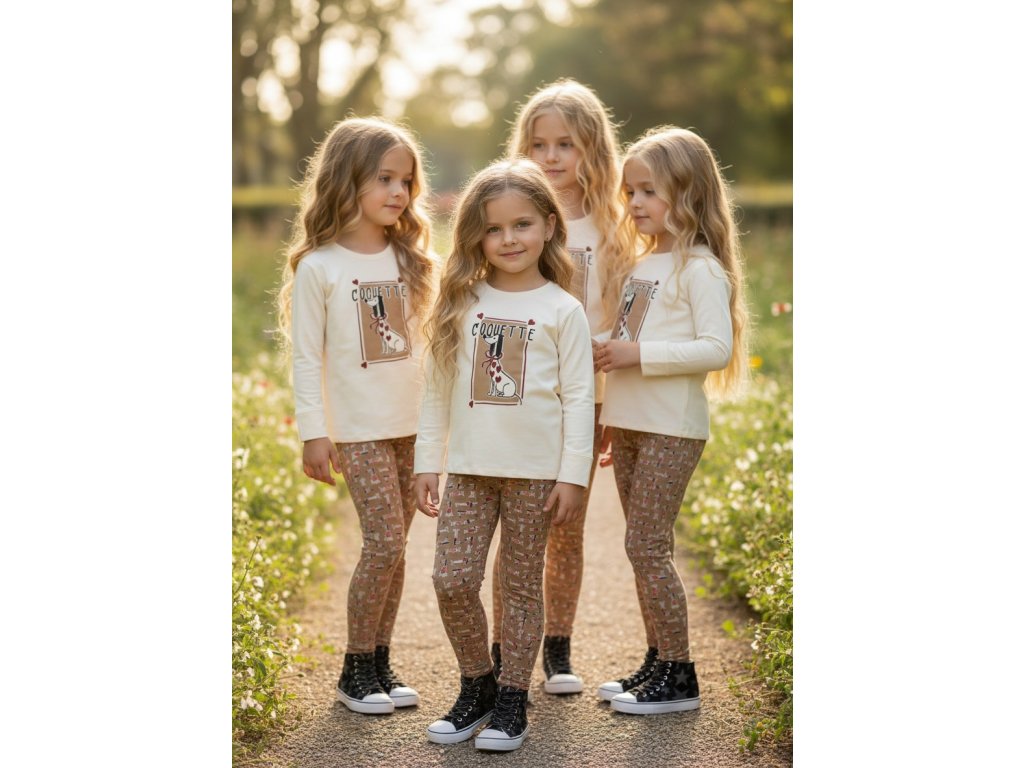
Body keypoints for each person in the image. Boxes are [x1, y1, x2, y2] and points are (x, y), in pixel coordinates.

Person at [413, 158, 595, 750]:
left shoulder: (563, 310)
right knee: (452, 579)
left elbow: (579, 398)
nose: (509, 239)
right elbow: (437, 390)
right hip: (469, 470)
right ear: (476, 234)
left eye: (522, 224)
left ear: (548, 225)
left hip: (535, 475)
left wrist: (572, 475)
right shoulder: (461, 302)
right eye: (494, 228)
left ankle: (513, 697)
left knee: (519, 588)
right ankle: (478, 683)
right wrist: (426, 462)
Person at [276, 116, 436, 715]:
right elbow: (306, 357)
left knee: (397, 549)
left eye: (406, 181)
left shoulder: (412, 259)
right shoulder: (320, 267)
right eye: (384, 178)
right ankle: (353, 669)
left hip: (411, 426)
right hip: (359, 430)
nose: (398, 192)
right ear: (347, 180)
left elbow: (429, 351)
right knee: (384, 542)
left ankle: (380, 661)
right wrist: (314, 432)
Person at [593, 126, 749, 714]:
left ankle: (680, 677)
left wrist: (636, 355)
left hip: (671, 426)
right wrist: (609, 395)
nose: (635, 203)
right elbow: (630, 338)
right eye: (630, 192)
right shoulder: (644, 265)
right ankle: (657, 660)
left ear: (688, 193)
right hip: (633, 423)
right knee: (642, 547)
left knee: (647, 545)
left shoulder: (699, 268)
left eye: (649, 191)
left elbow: (715, 348)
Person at [488, 78, 633, 695]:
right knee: (514, 530)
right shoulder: (509, 219)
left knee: (566, 526)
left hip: (588, 398)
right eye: (539, 144)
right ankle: (503, 647)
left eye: (565, 144)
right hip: (520, 398)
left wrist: (613, 401)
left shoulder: (612, 226)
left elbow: (623, 315)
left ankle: (558, 647)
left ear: (591, 149)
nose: (550, 157)